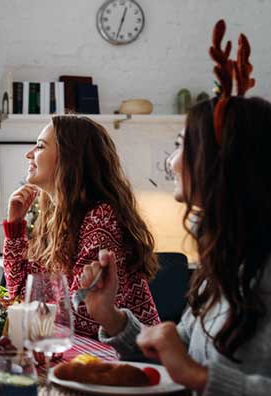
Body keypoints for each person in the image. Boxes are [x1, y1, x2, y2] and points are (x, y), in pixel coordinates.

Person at [81, 20, 271, 394]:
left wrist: (201, 377)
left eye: (182, 145)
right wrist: (114, 318)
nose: (171, 161)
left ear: (218, 162)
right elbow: (180, 353)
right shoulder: (226, 258)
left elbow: (190, 370)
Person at [2, 115, 160, 338]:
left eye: (40, 146)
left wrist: (33, 306)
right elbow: (20, 293)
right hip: (85, 351)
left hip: (131, 357)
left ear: (69, 158)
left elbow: (84, 314)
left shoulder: (102, 217)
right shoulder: (56, 220)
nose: (29, 154)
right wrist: (15, 227)